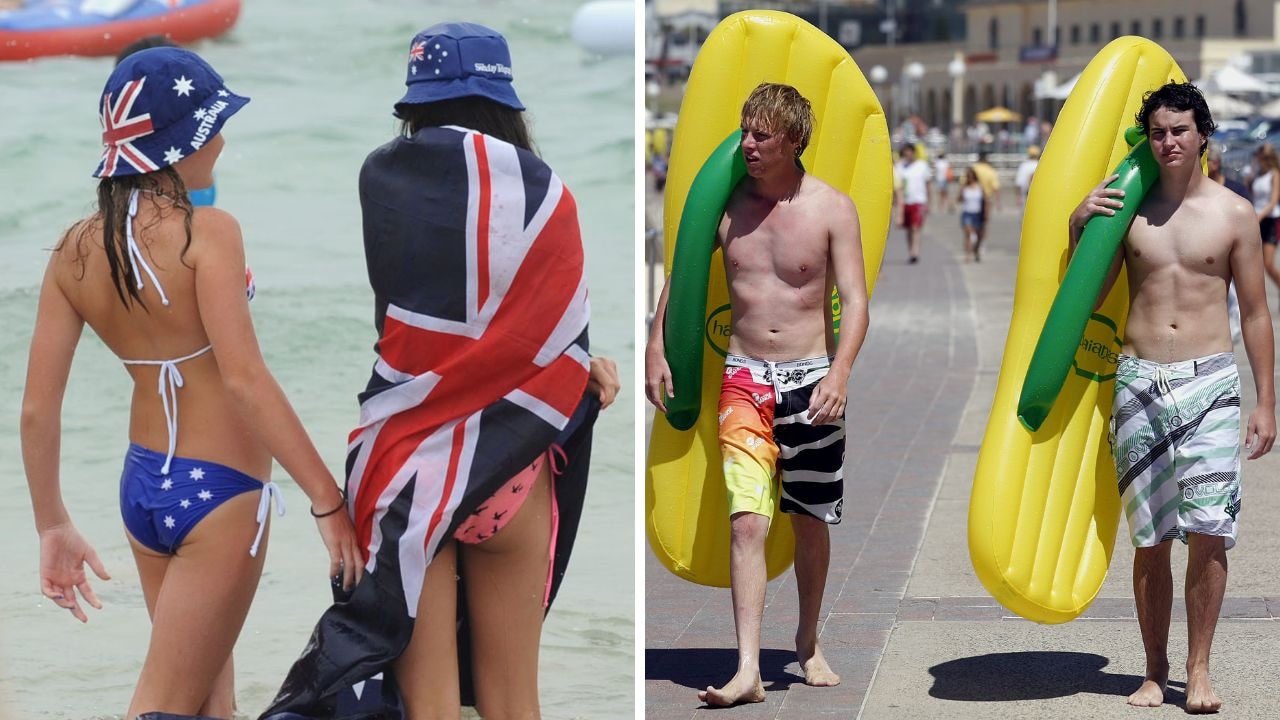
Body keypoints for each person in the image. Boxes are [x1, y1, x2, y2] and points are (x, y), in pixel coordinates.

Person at [261, 23, 620, 720]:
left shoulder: (379, 176)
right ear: (504, 100)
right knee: (515, 705)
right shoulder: (550, 196)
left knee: (428, 709)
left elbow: (399, 322)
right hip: (510, 470)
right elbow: (555, 337)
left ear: (415, 102)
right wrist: (586, 371)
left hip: (405, 470)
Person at [19, 47, 363, 718]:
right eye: (211, 127)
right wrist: (327, 501)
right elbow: (243, 379)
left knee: (210, 703)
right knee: (165, 703)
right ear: (179, 147)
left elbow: (36, 410)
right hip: (222, 494)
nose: (223, 139)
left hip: (143, 488)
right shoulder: (209, 233)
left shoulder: (73, 250)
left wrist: (51, 521)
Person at [645, 82, 870, 707]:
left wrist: (840, 373)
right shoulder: (727, 208)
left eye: (761, 134)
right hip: (744, 379)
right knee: (746, 521)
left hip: (811, 380)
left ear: (793, 140)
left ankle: (807, 639)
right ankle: (748, 669)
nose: (746, 143)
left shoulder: (831, 208)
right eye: (745, 130)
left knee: (810, 520)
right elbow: (683, 279)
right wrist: (656, 343)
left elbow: (854, 302)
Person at [1070, 81, 1275, 713]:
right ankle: (1155, 670)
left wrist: (1266, 401)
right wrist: (1079, 225)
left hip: (1211, 382)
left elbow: (1258, 315)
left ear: (1202, 135)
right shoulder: (1128, 212)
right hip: (1139, 383)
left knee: (1210, 535)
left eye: (1180, 131)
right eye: (1158, 132)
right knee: (1151, 540)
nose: (1169, 142)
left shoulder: (1235, 213)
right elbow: (1092, 291)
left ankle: (1200, 668)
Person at [1250, 143, 1280, 299]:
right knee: (1256, 263)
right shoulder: (1257, 174)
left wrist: (1260, 215)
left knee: (1268, 263)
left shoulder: (1274, 174)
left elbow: (1273, 201)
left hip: (1270, 219)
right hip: (1256, 218)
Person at [894, 143, 932, 263]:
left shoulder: (922, 166)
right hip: (905, 201)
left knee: (916, 227)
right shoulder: (900, 167)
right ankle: (911, 250)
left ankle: (915, 252)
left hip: (919, 200)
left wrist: (929, 202)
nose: (908, 154)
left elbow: (928, 185)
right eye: (905, 152)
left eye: (909, 152)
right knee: (909, 228)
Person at [958, 167, 987, 262]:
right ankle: (968, 255)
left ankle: (976, 249)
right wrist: (961, 192)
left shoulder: (980, 187)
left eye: (971, 176)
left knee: (979, 236)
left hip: (978, 213)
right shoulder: (964, 187)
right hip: (967, 213)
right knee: (968, 234)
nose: (969, 178)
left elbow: (985, 201)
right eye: (968, 177)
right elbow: (959, 200)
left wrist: (986, 214)